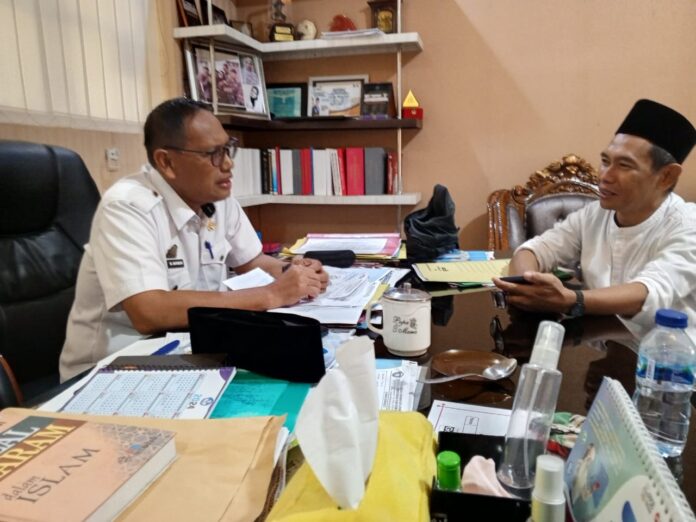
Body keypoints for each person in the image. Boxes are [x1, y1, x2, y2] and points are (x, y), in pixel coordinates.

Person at [59, 98, 329, 381]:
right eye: (213, 153)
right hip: (113, 369)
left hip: (194, 353)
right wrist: (272, 294)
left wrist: (296, 274)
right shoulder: (127, 207)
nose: (228, 164)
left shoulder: (217, 197)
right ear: (166, 162)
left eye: (228, 149)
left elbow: (253, 261)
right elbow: (149, 312)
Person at [493, 99, 696, 341]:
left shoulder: (687, 224)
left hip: (668, 356)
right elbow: (535, 250)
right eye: (605, 161)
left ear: (666, 176)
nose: (605, 176)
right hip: (602, 346)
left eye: (624, 165)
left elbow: (649, 291)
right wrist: (530, 285)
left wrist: (572, 300)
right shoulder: (595, 214)